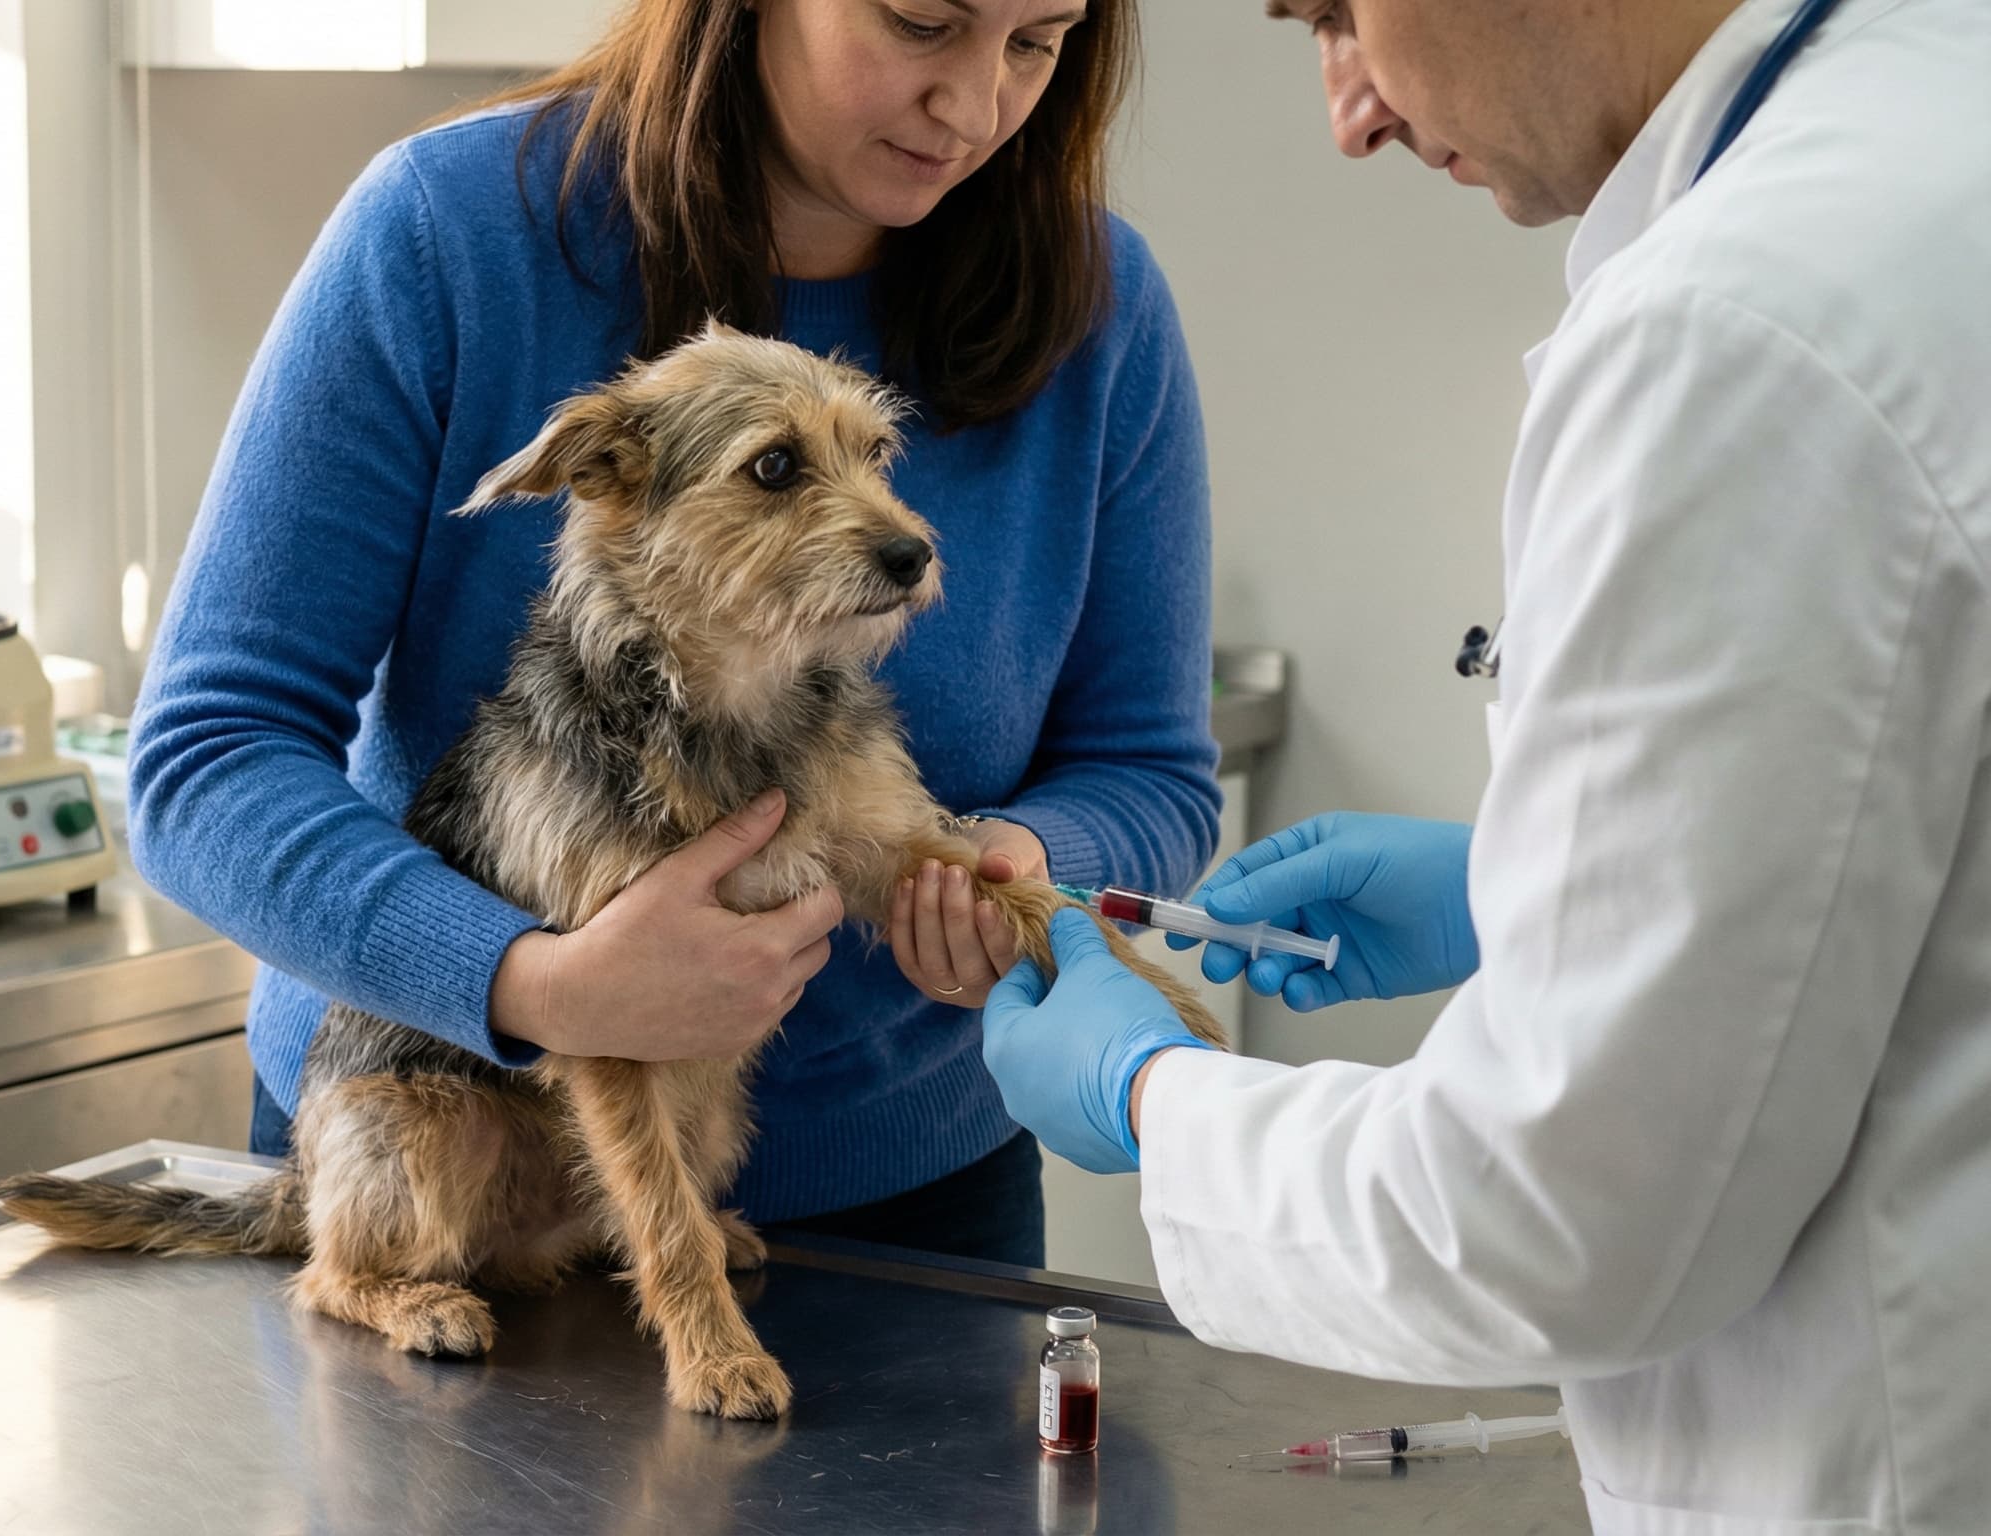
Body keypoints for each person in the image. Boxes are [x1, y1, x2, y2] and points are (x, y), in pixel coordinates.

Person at [980, 0, 1991, 1528]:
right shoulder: (1932, 124)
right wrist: (1540, 892)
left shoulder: (1742, 332)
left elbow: (1547, 1220)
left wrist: (1157, 1102)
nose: (1349, 113)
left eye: (1332, 14)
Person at [134, 0, 1220, 1267]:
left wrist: (1013, 862)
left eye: (1037, 42)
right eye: (923, 22)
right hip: (456, 1161)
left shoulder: (1099, 303)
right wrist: (531, 985)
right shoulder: (445, 234)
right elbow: (205, 757)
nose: (975, 108)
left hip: (908, 1202)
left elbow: (1151, 770)